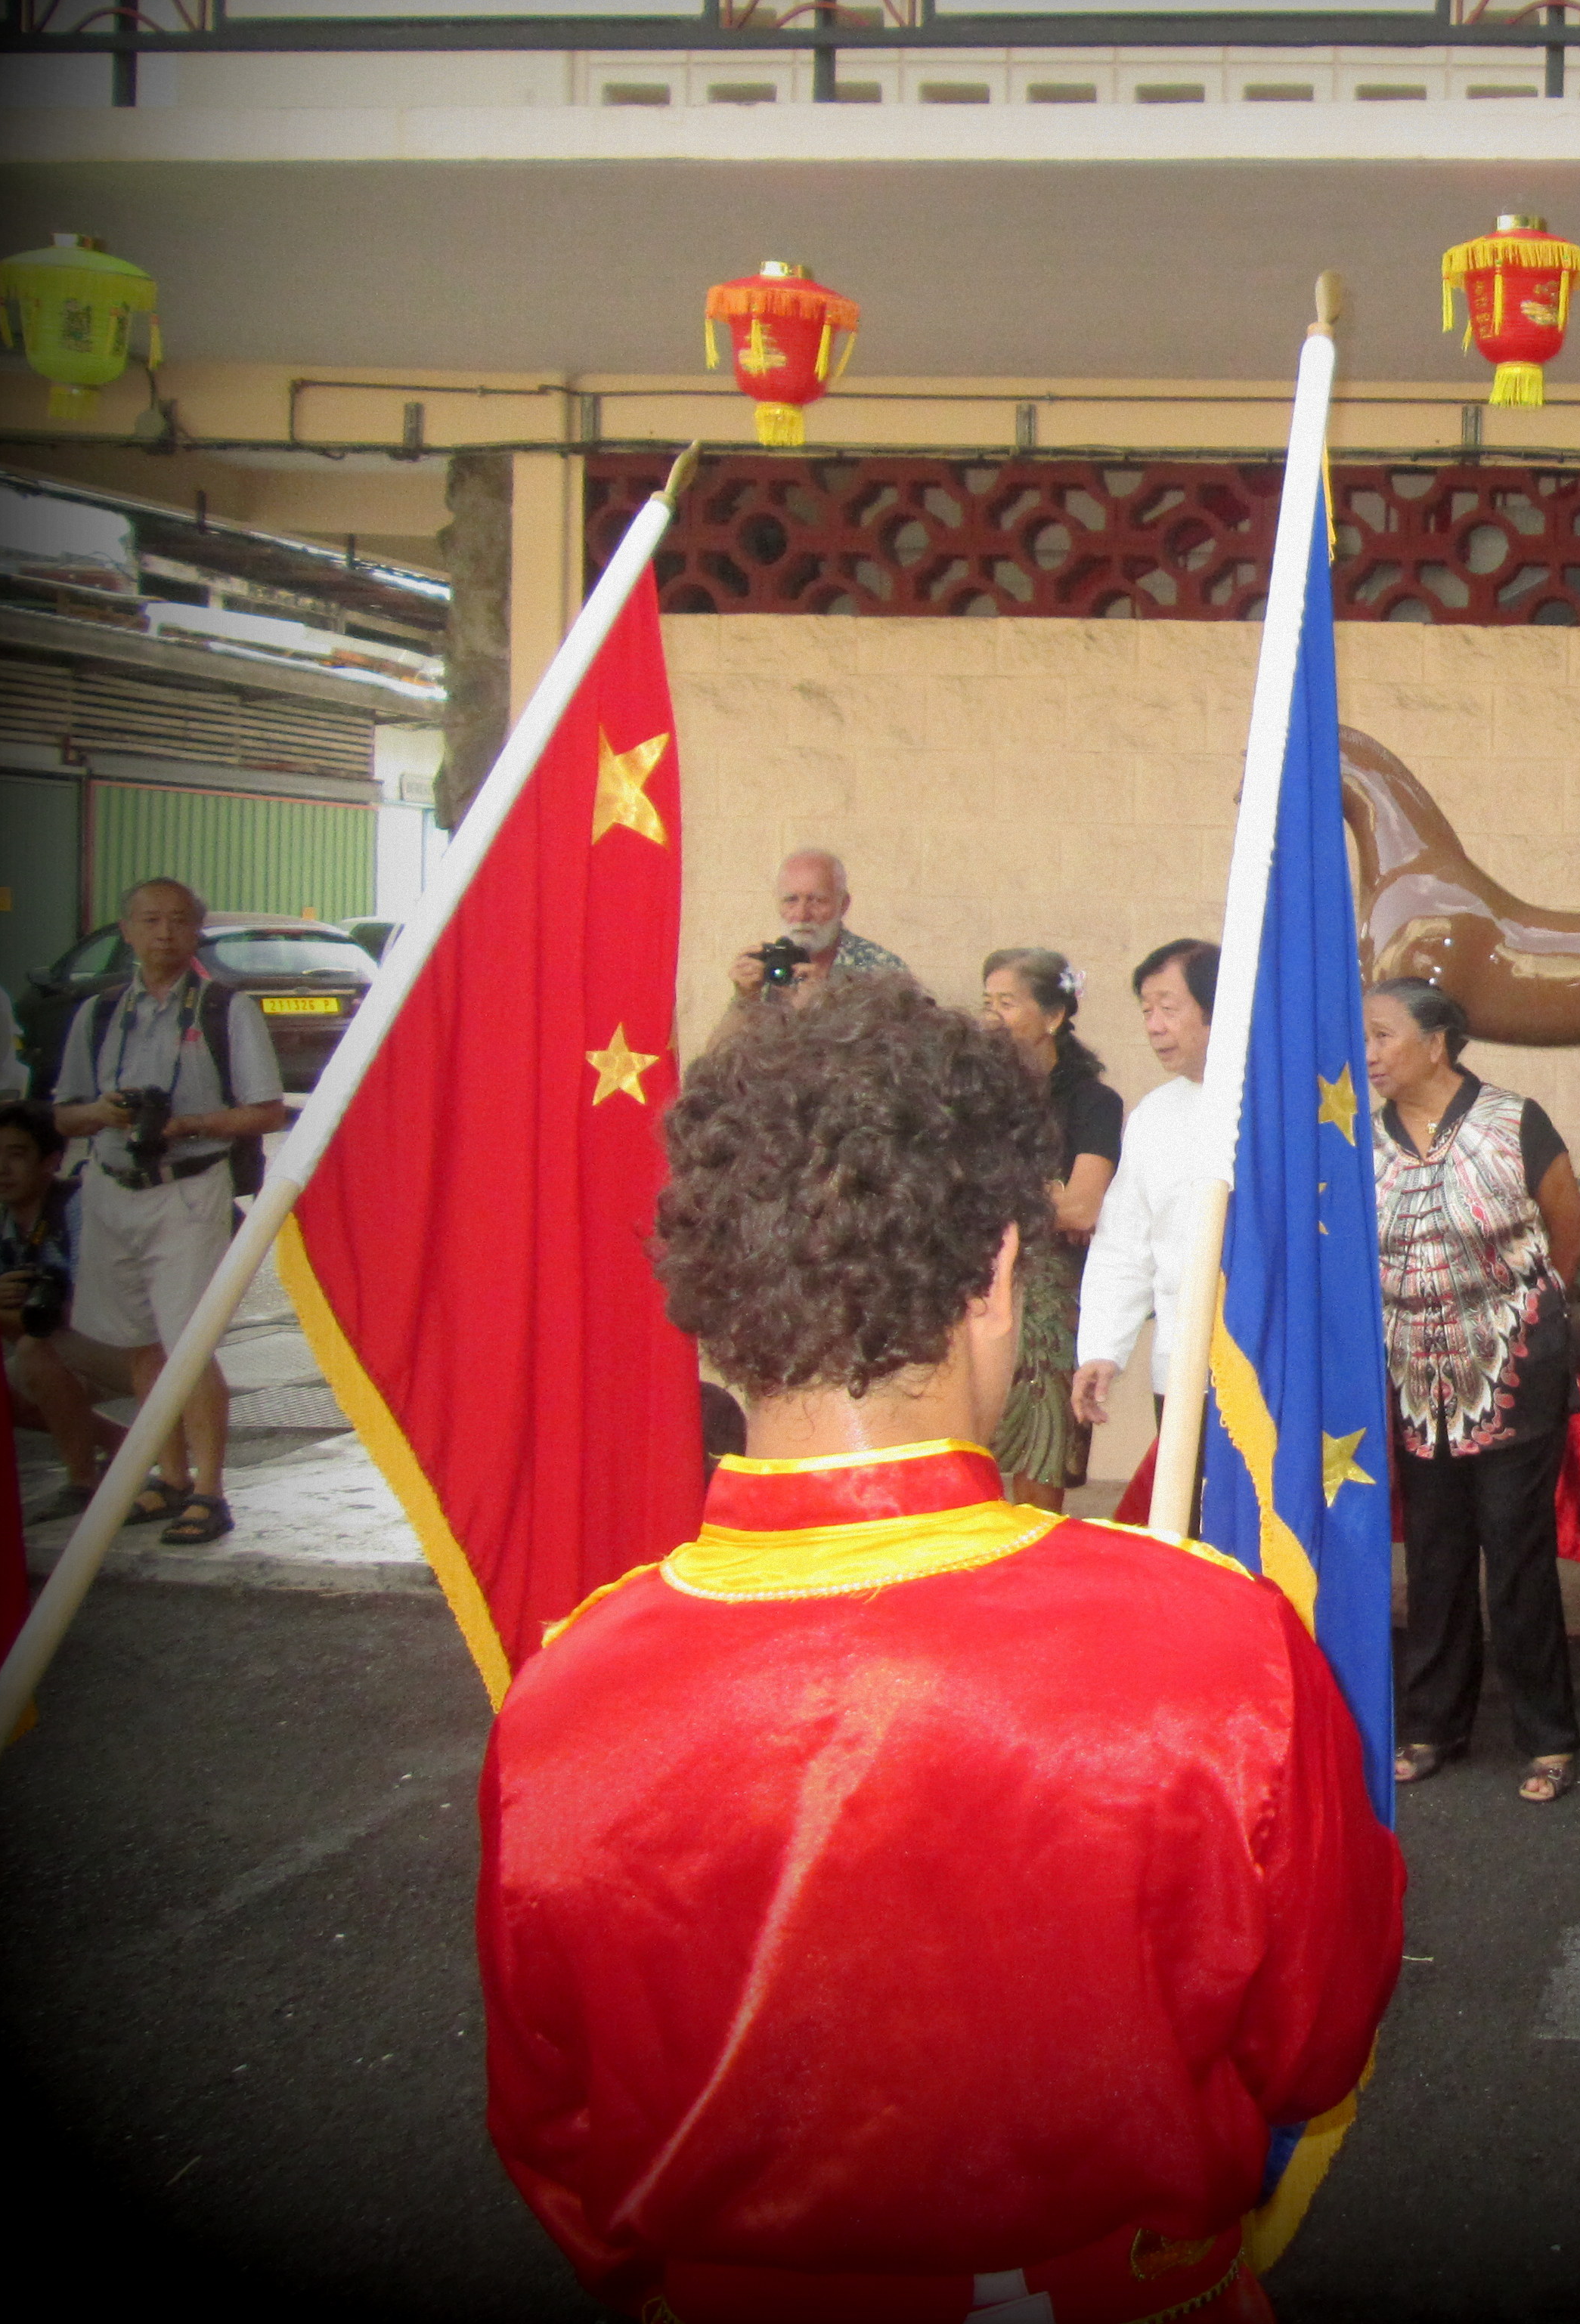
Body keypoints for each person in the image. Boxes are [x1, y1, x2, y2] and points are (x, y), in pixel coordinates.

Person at [478, 975, 1402, 2323]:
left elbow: (556, 2140)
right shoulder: (1218, 1648)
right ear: (994, 1274)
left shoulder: (565, 1694)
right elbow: (1312, 2044)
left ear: (711, 1307)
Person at [1367, 982, 1580, 1806]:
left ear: (1437, 1043)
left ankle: (1548, 1738)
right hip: (1413, 1374)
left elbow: (1566, 1222)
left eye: (1385, 1035)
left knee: (1517, 1557)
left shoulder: (1512, 1120)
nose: (1370, 1052)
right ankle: (1432, 1725)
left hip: (1512, 1368)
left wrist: (1533, 1312)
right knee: (1433, 1555)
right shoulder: (1359, 1134)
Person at [46, 877, 287, 1548]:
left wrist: (184, 1125)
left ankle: (211, 1489)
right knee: (144, 1347)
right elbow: (64, 1115)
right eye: (150, 921)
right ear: (125, 930)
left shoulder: (223, 1009)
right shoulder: (97, 1016)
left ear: (195, 934)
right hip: (113, 1190)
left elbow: (268, 1112)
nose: (164, 934)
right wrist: (106, 1113)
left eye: (179, 922)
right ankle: (169, 1475)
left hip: (187, 1189)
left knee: (191, 1343)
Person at [1073, 940, 1222, 1500]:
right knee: (1189, 1520)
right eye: (1146, 1011)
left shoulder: (1286, 1104)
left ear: (1216, 1005)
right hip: (1181, 1362)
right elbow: (1125, 1243)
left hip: (1270, 1360)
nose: (1155, 1027)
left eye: (1169, 1007)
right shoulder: (1155, 1114)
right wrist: (1102, 1349)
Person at [978, 948, 1124, 1515]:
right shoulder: (974, 1101)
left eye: (1007, 1003)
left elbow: (1083, 1208)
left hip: (1048, 1302)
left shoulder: (1093, 1103)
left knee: (1040, 1457)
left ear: (1054, 1016)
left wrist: (994, 1187)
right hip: (974, 1290)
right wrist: (1043, 1195)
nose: (991, 1016)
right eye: (986, 1002)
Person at [0, 1099, 125, 1514]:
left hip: (134, 1345)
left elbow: (89, 1306)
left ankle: (83, 1483)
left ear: (51, 1161)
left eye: (17, 1154)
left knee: (34, 1352)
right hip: (78, 1348)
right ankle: (122, 1445)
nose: (1, 1169)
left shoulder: (77, 1208)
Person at [723, 848, 906, 1008]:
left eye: (817, 900)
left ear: (843, 904)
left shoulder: (881, 971)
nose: (802, 914)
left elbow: (909, 1045)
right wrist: (745, 998)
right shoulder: (769, 967)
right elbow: (722, 1048)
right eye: (791, 900)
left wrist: (822, 1007)